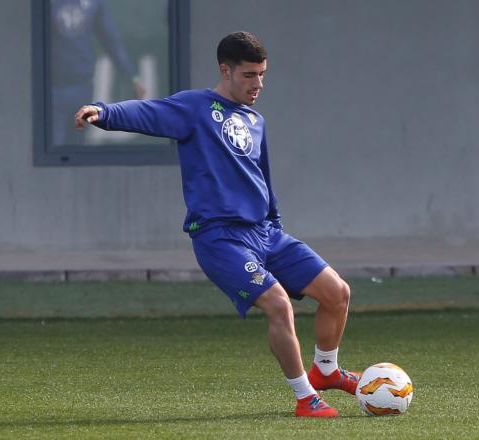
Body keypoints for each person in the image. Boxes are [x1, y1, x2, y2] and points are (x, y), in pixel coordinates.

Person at [74, 31, 359, 417]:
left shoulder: (256, 120)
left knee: (337, 292)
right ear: (225, 70)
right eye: (248, 75)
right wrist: (102, 112)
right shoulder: (195, 108)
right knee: (279, 306)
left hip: (266, 232)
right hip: (220, 239)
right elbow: (148, 112)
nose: (258, 84)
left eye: (262, 75)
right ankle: (305, 397)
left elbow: (262, 176)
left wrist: (274, 220)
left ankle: (326, 371)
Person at [52, 0, 145, 145]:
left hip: (82, 86)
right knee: (51, 147)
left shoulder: (94, 3)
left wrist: (131, 76)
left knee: (77, 148)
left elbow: (111, 40)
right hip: (52, 89)